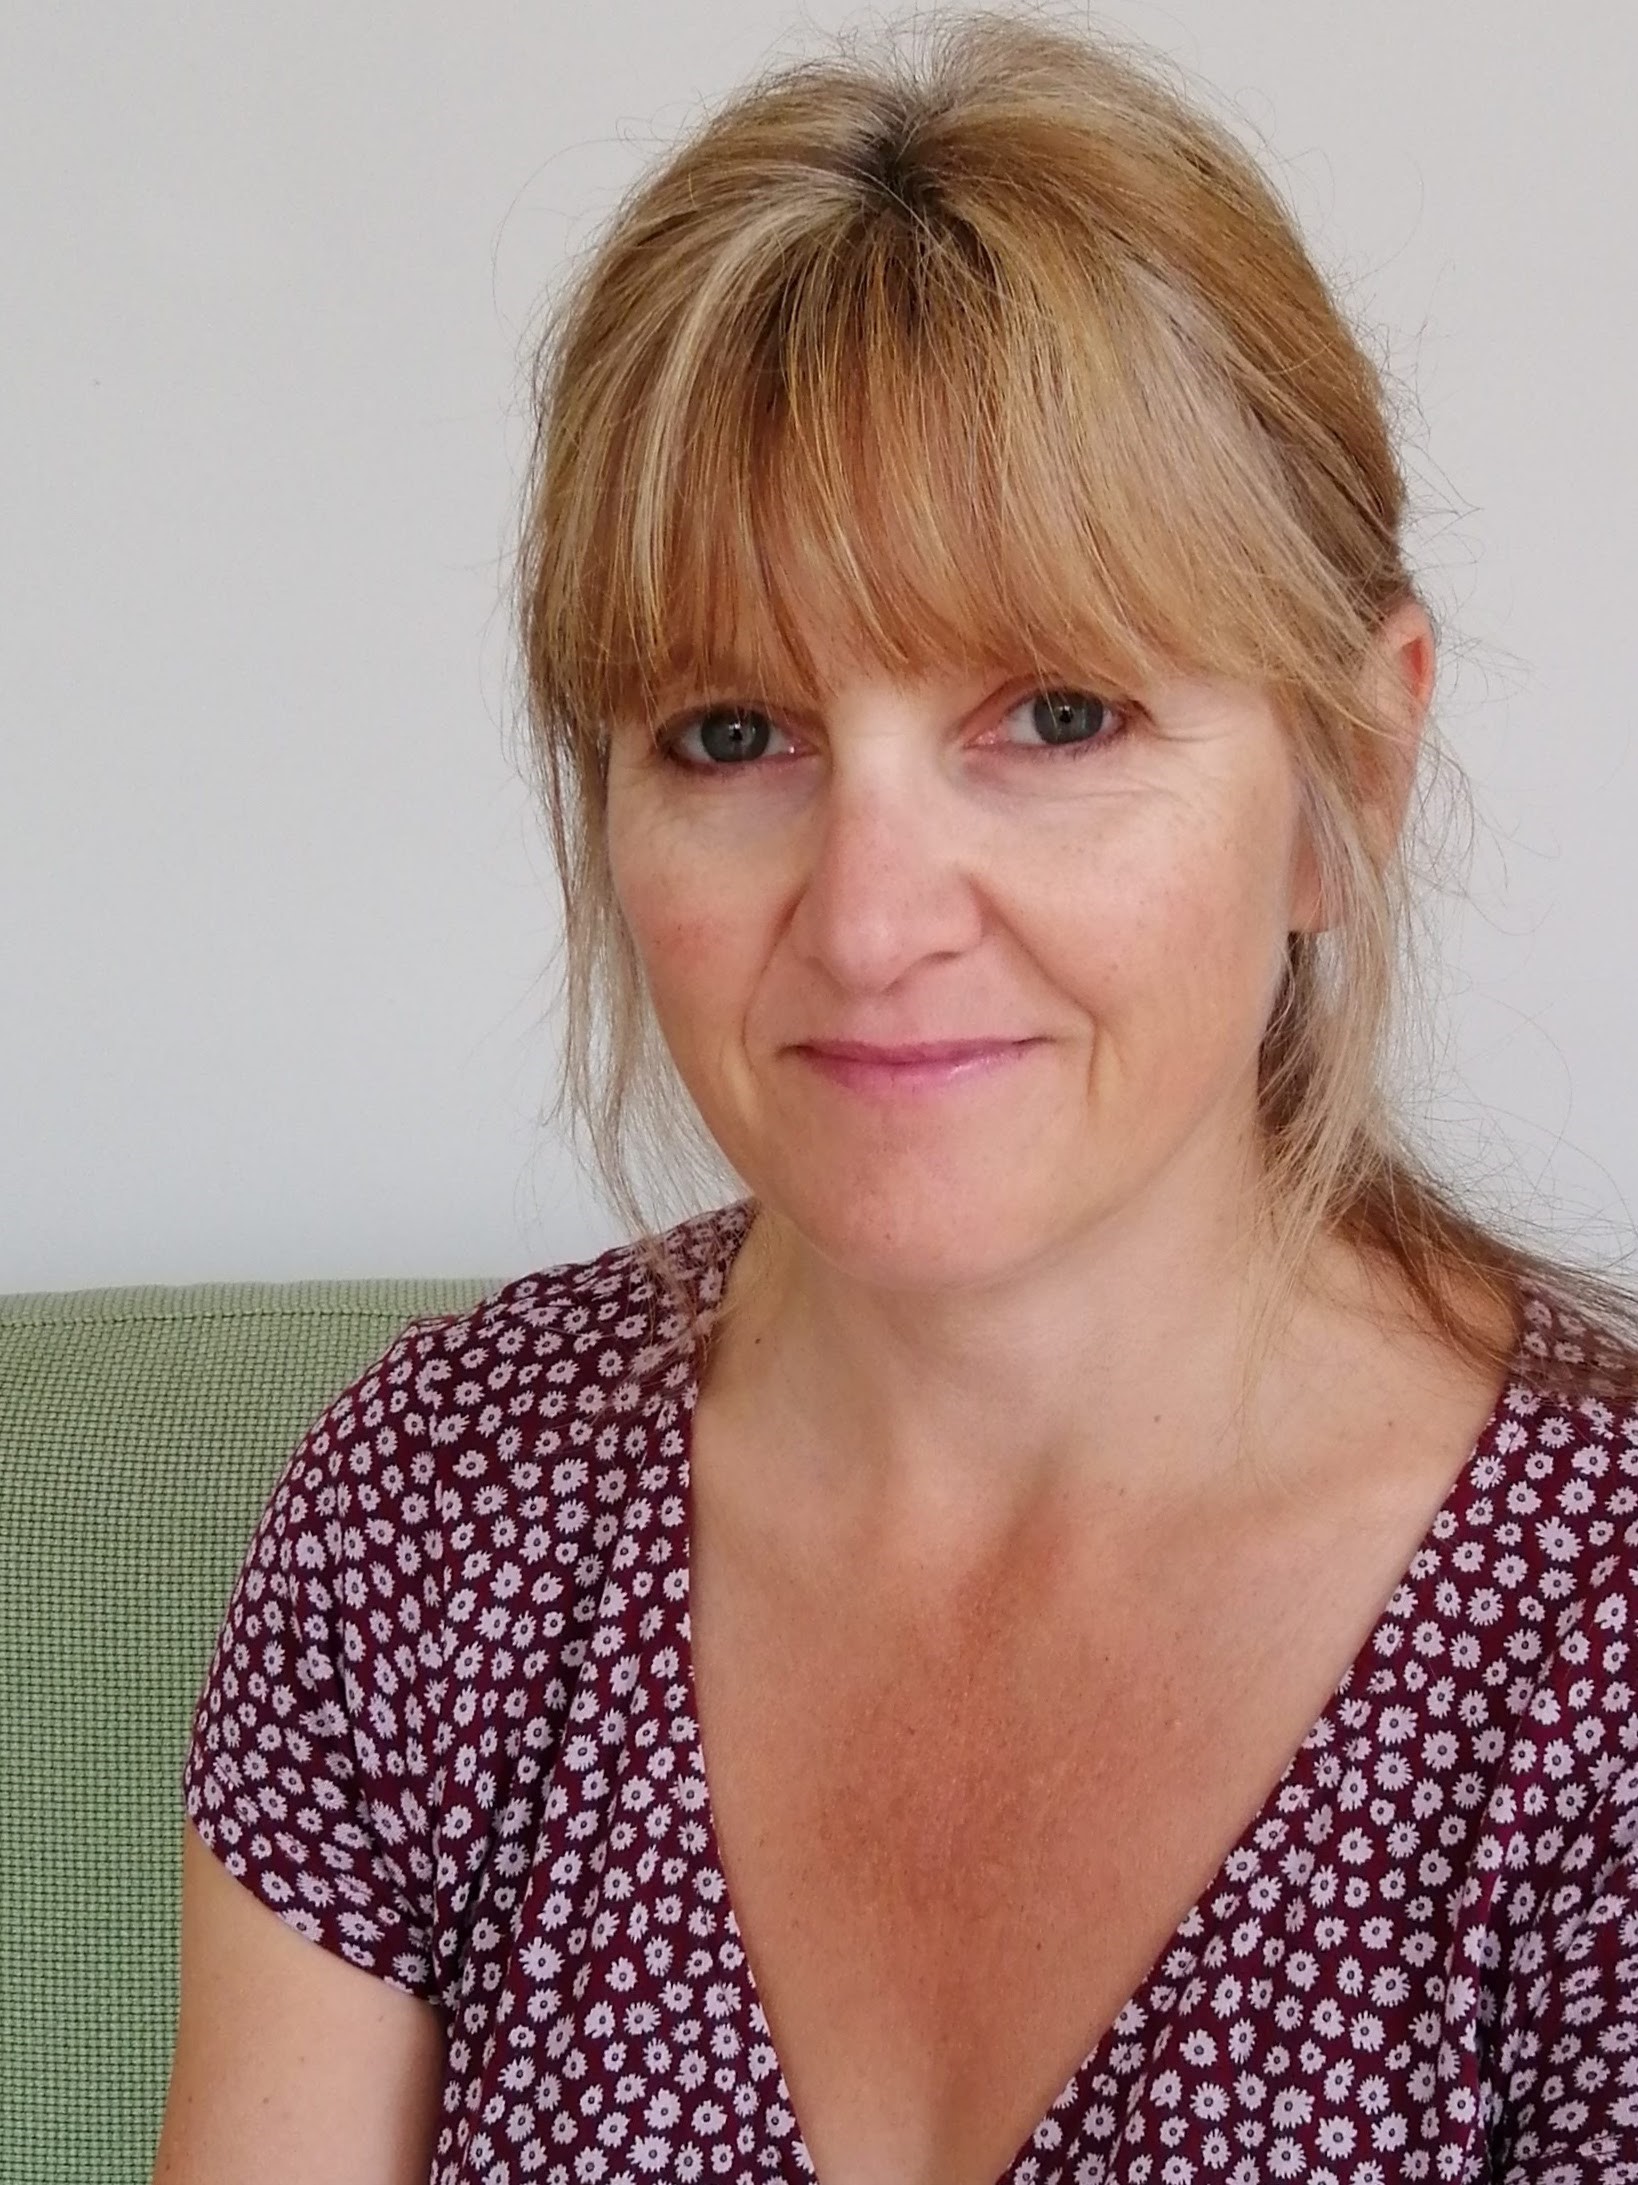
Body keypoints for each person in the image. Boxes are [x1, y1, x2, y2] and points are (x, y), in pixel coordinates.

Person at [153, 13, 1638, 2185]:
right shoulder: (425, 1525)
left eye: (1058, 713)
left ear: (1350, 777)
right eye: (731, 734)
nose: (868, 920)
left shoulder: (1598, 1650)